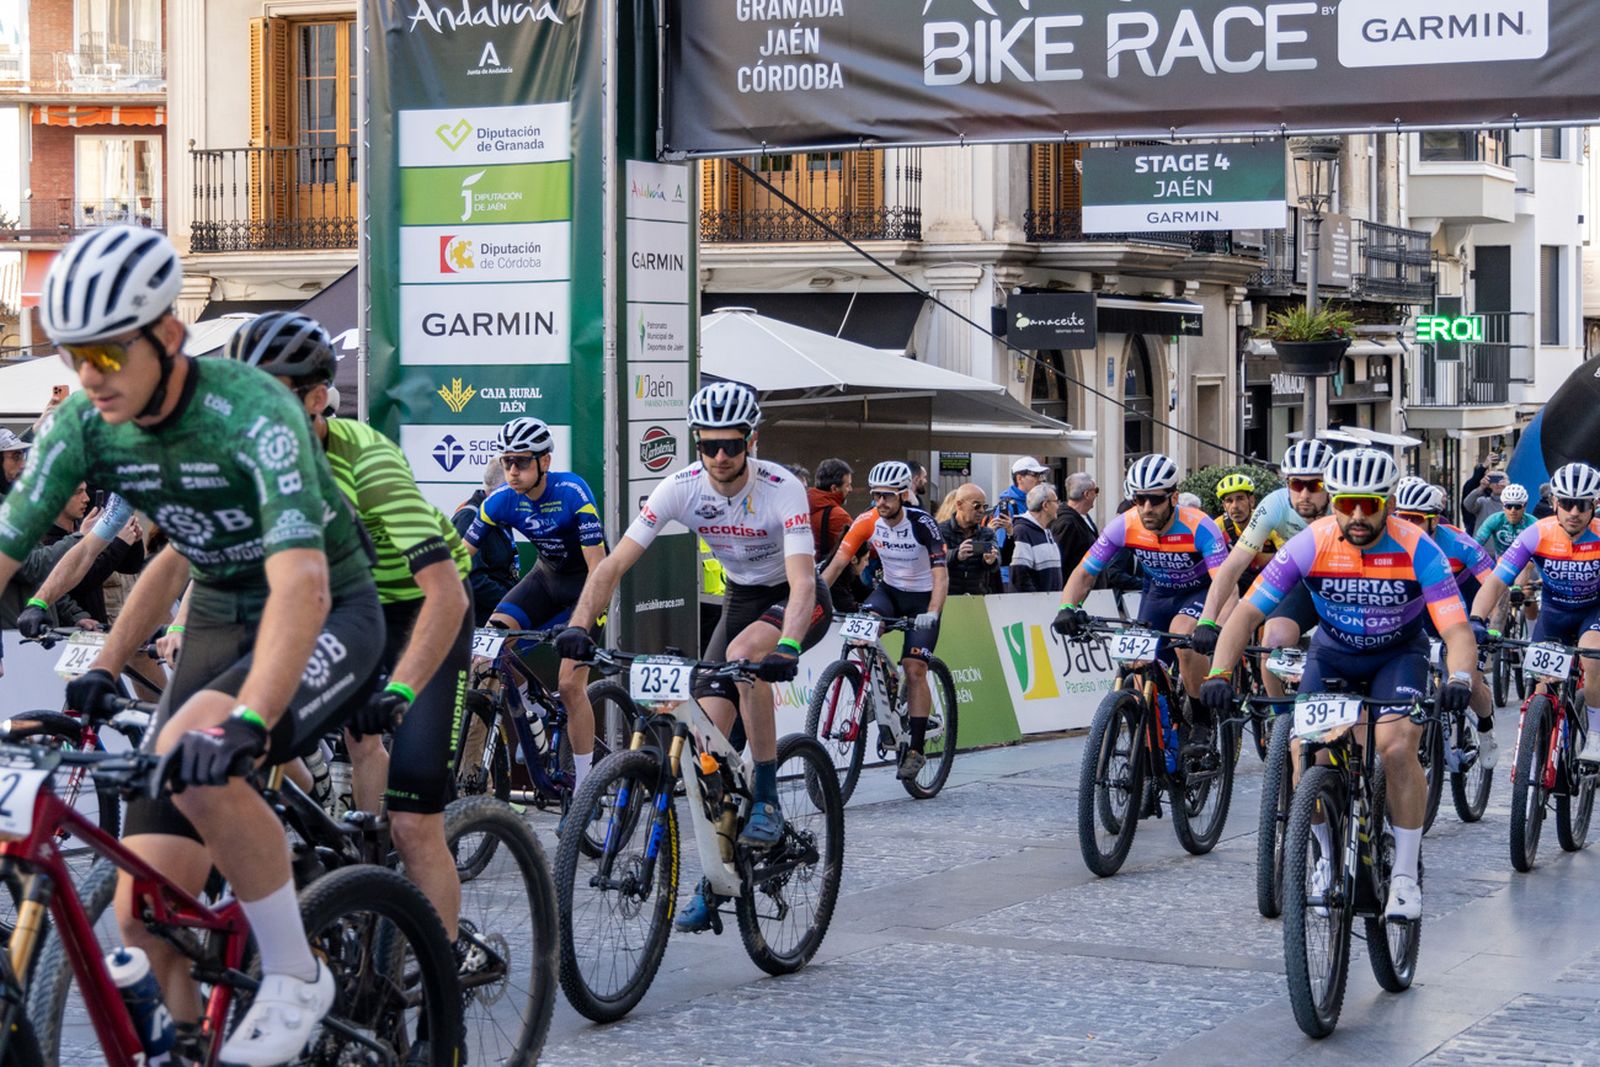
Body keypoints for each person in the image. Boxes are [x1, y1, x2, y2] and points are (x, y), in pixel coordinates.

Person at [1, 226, 385, 1061]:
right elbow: (35, 545)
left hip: (327, 606)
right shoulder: (87, 423)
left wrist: (249, 718)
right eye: (73, 355)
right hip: (218, 607)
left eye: (108, 352)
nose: (89, 375)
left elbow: (303, 587)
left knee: (199, 744)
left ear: (169, 334)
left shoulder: (256, 413)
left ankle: (296, 969)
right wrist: (107, 663)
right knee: (145, 915)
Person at [222, 310, 478, 965]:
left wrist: (400, 689)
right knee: (253, 741)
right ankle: (354, 867)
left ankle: (441, 977)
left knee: (414, 822)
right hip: (349, 608)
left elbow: (445, 594)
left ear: (315, 400)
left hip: (426, 605)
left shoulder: (369, 461)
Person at [552, 382, 831, 932]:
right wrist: (580, 625)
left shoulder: (782, 488)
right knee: (706, 747)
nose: (720, 457)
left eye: (732, 445)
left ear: (752, 441)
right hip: (742, 598)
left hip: (795, 598)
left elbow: (802, 582)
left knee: (744, 653)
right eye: (709, 445)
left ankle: (768, 797)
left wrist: (790, 645)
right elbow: (611, 566)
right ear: (696, 443)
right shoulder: (680, 487)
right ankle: (720, 872)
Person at [1201, 449, 1476, 922]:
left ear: (1388, 504)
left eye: (1370, 505)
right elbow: (1246, 614)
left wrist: (1460, 677)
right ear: (1334, 502)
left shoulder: (1418, 548)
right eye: (1347, 504)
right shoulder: (1311, 543)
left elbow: (1456, 631)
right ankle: (1326, 855)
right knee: (1305, 752)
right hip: (1333, 654)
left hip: (1397, 656)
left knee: (1395, 747)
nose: (1357, 516)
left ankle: (1405, 875)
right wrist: (1219, 674)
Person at [459, 416, 609, 796]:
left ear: (544, 461)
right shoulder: (500, 500)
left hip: (587, 585)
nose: (512, 470)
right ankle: (532, 711)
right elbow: (458, 559)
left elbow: (598, 568)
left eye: (522, 461)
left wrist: (580, 623)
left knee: (569, 685)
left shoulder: (572, 492)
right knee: (486, 652)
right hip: (545, 580)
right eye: (507, 461)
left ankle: (585, 784)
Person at [1054, 454, 1229, 708]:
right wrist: (1067, 607)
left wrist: (1210, 623)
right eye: (1139, 499)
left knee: (1183, 636)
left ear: (1174, 498)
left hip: (1199, 591)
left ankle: (1201, 717)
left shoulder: (1200, 526)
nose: (1147, 507)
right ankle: (1149, 723)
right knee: (1136, 658)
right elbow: (1084, 572)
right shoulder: (1124, 525)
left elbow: (1226, 584)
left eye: (1155, 499)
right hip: (1158, 592)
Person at [820, 460, 947, 779]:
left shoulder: (922, 523)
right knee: (861, 631)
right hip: (889, 592)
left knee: (914, 669)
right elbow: (837, 564)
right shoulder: (867, 521)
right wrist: (812, 600)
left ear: (903, 495)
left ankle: (915, 749)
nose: (880, 502)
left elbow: (940, 573)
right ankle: (884, 681)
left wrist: (933, 612)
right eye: (876, 495)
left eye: (887, 496)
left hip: (923, 598)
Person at [1470, 462, 1600, 761]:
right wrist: (1477, 619)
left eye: (1582, 504)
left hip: (1592, 611)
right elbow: (1496, 581)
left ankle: (1595, 734)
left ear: (1595, 505)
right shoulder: (1537, 533)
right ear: (1555, 502)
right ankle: (1542, 744)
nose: (1574, 512)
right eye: (1566, 503)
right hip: (1554, 611)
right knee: (1542, 685)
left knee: (1592, 657)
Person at [1189, 440, 1336, 700]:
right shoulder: (1275, 505)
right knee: (1271, 645)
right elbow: (1233, 565)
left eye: (1315, 485)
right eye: (1296, 484)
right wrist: (1207, 620)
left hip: (1344, 584)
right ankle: (1279, 717)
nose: (1304, 494)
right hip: (1302, 579)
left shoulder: (1346, 509)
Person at [1392, 478, 1499, 767]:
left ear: (1434, 519)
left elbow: (1494, 585)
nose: (1407, 525)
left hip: (1464, 611)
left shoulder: (1459, 542)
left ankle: (1486, 729)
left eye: (1415, 519)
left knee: (1470, 679)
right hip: (1421, 614)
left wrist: (1487, 624)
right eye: (1402, 517)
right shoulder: (1390, 542)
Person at [452, 463, 518, 625]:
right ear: (503, 489)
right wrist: (514, 602)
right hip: (478, 623)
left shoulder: (498, 515)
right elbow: (472, 580)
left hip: (496, 614)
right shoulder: (469, 518)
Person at [1472, 481, 1540, 633]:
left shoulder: (1533, 523)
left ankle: (1531, 632)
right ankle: (1495, 633)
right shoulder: (1495, 520)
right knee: (1499, 596)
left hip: (1527, 566)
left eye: (1517, 506)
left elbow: (1540, 553)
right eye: (1509, 506)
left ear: (1525, 506)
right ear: (1503, 506)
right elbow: (1476, 545)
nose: (1513, 510)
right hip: (1503, 563)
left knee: (1528, 593)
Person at [1213, 472, 1274, 597]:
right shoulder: (1218, 525)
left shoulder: (1268, 521)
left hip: (1269, 580)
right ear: (1224, 506)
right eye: (1229, 501)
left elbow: (1290, 555)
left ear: (1251, 501)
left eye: (1240, 498)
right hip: (1237, 581)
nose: (1235, 506)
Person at [809, 457, 856, 609]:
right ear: (834, 489)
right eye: (848, 485)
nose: (850, 489)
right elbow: (858, 547)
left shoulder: (800, 504)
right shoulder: (838, 516)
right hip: (829, 586)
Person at [938, 483, 999, 595]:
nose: (981, 510)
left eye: (984, 506)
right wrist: (956, 555)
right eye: (977, 506)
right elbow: (933, 559)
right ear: (959, 505)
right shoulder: (940, 530)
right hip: (948, 596)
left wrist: (991, 561)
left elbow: (996, 558)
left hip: (978, 597)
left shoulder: (987, 533)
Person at [1009, 483, 1062, 593]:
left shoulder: (1046, 530)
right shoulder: (1022, 531)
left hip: (1051, 600)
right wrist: (1037, 600)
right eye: (1056, 502)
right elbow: (1020, 575)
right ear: (1045, 505)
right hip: (1036, 602)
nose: (1059, 506)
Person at [1050, 472, 1100, 576]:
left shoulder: (1084, 516)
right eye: (1096, 490)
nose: (1097, 495)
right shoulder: (1066, 523)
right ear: (1087, 494)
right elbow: (1060, 560)